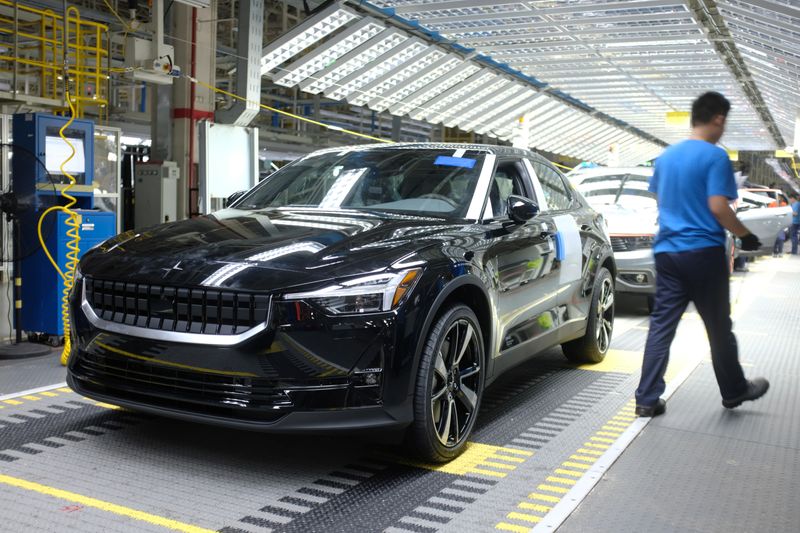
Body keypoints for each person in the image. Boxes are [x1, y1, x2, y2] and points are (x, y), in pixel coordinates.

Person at [635, 91, 769, 417]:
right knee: (718, 327)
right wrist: (745, 235)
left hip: (667, 253)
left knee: (661, 327)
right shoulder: (714, 157)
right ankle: (734, 390)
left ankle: (647, 399)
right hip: (703, 253)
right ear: (718, 118)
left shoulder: (665, 158)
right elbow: (718, 207)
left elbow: (660, 200)